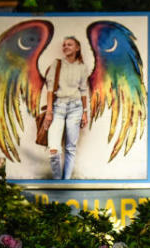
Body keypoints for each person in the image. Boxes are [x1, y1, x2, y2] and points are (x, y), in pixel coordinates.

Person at [43, 36, 90, 179]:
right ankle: (58, 181)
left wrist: (85, 112)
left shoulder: (82, 68)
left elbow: (83, 91)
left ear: (77, 48)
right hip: (58, 108)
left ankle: (67, 181)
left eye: (69, 44)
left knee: (70, 148)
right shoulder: (56, 64)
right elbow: (50, 90)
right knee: (54, 149)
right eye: (64, 45)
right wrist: (49, 112)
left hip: (76, 108)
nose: (65, 47)